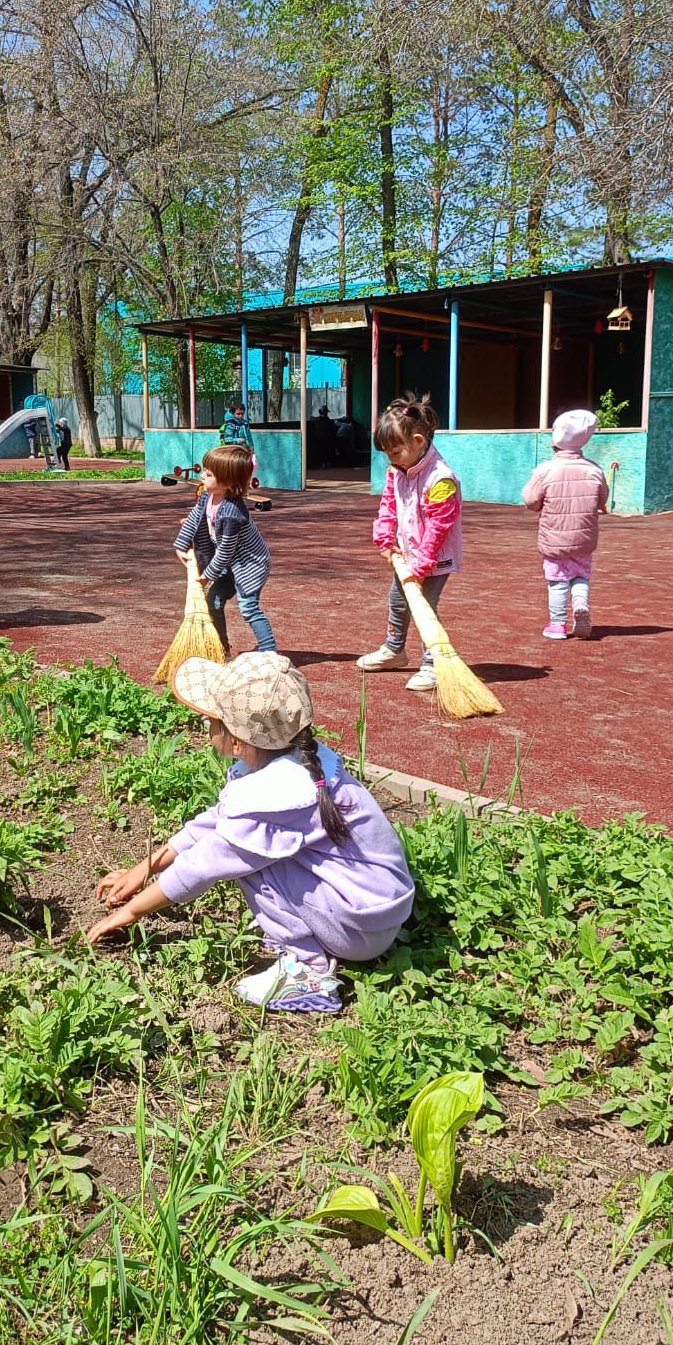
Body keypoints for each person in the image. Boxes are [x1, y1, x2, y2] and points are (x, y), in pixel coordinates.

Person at [86, 652, 415, 1013]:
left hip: (360, 929)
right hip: (375, 907)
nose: (205, 729)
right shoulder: (300, 761)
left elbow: (204, 863)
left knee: (249, 861)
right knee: (247, 846)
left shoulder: (276, 798)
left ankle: (309, 971)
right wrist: (146, 868)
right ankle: (315, 941)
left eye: (212, 721)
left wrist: (131, 912)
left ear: (239, 741)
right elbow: (218, 820)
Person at [356, 392, 462, 693]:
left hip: (434, 557)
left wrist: (422, 562)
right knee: (398, 601)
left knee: (424, 606)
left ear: (418, 441)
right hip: (407, 551)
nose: (391, 458)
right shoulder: (397, 470)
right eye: (387, 453)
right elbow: (389, 505)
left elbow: (440, 526)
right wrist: (385, 538)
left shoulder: (441, 479)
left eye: (395, 452)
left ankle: (433, 663)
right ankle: (394, 649)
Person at [173, 444, 276, 656]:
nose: (202, 476)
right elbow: (194, 518)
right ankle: (222, 648)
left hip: (250, 565)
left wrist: (207, 576)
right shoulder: (207, 497)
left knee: (248, 608)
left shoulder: (232, 513)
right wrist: (180, 545)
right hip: (230, 564)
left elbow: (226, 551)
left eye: (209, 474)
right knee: (213, 602)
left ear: (228, 482)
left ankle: (270, 652)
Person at [523, 409, 608, 639]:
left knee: (557, 580)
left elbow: (530, 500)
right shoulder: (594, 470)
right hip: (584, 538)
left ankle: (557, 624)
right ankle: (581, 605)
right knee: (581, 576)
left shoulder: (545, 470)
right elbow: (602, 499)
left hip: (555, 537)